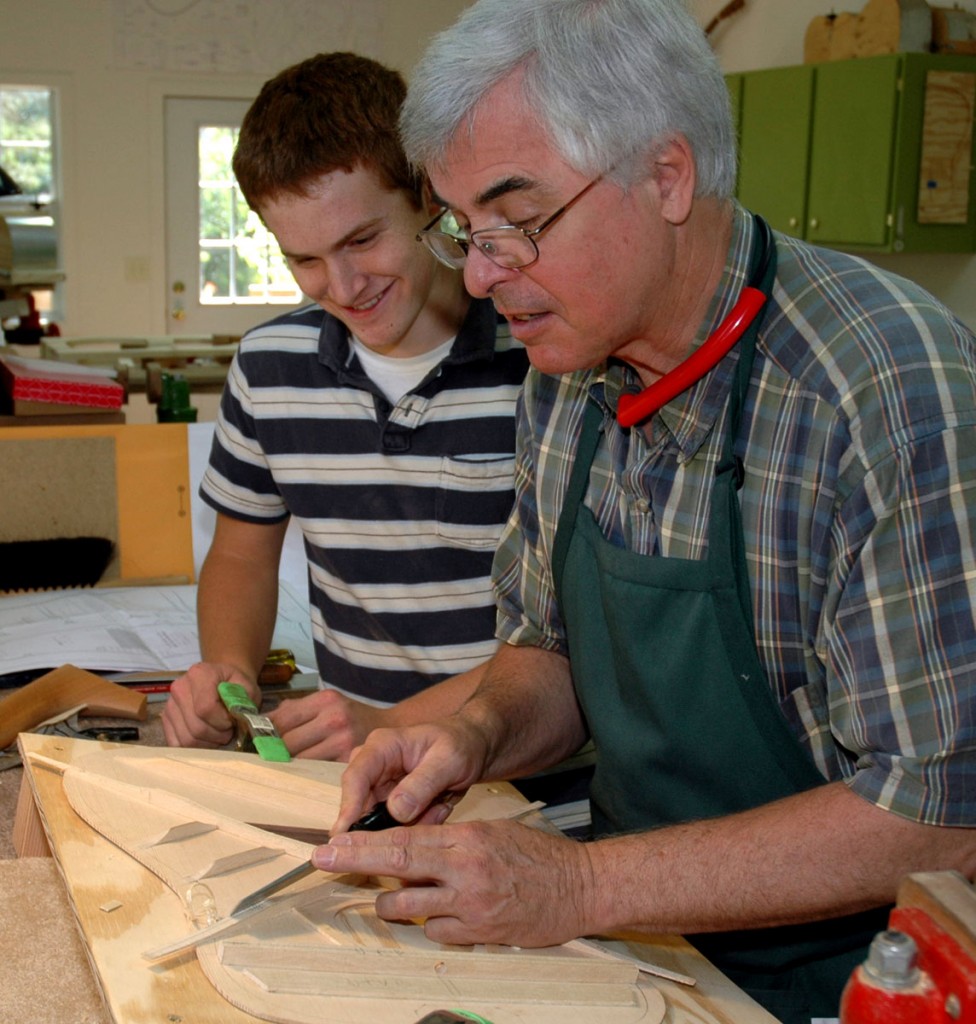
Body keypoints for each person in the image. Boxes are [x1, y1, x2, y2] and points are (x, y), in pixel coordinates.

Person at [314, 3, 976, 1022]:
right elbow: (549, 652)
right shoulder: (565, 368)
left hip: (844, 982)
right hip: (635, 956)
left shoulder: (883, 390)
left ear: (665, 177)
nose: (481, 274)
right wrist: (477, 735)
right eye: (461, 228)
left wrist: (577, 886)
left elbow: (937, 817)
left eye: (515, 221)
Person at [160, 52, 529, 763]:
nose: (344, 284)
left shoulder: (540, 359)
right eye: (304, 259)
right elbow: (240, 554)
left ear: (429, 196)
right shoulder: (270, 368)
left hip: (521, 772)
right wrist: (230, 673)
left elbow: (571, 642)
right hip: (358, 772)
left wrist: (395, 725)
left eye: (363, 239)